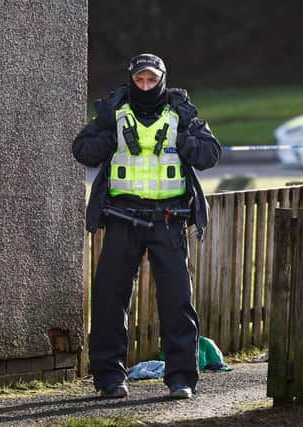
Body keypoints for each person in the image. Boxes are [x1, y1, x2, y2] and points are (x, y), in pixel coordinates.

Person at [72, 53, 222, 399]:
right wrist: (109, 137)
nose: (144, 86)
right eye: (139, 80)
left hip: (168, 221)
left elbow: (211, 154)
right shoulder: (113, 112)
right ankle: (110, 379)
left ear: (162, 80)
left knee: (177, 302)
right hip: (122, 219)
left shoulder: (180, 114)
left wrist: (184, 141)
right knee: (110, 301)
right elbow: (82, 149)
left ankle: (181, 379)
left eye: (151, 80)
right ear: (131, 80)